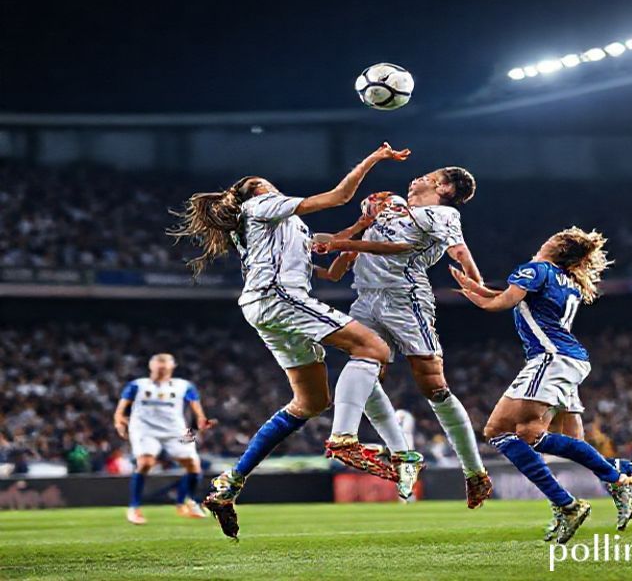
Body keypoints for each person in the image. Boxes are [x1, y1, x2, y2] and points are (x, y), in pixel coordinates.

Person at [168, 142, 411, 539]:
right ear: (255, 191)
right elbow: (338, 197)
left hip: (266, 304)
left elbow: (327, 264)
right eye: (265, 182)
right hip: (279, 298)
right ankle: (344, 438)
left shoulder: (284, 225)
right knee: (375, 348)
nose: (272, 185)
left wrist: (358, 230)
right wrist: (375, 158)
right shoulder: (261, 207)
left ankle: (229, 484)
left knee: (310, 402)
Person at [450, 226, 632, 540]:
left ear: (554, 245)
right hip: (570, 361)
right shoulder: (567, 280)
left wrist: (478, 295)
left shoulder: (535, 269)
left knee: (502, 433)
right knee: (575, 447)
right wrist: (478, 290)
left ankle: (579, 499)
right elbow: (506, 298)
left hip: (550, 358)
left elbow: (500, 303)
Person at [314, 176, 492, 508]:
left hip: (405, 301)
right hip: (366, 299)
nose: (418, 180)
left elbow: (456, 250)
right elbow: (335, 269)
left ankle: (475, 473)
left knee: (434, 388)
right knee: (363, 362)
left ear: (446, 190)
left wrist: (478, 284)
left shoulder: (441, 215)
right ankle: (353, 440)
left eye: (430, 178)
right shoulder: (390, 210)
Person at [113, 353, 215, 524]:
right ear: (151, 366)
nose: (161, 369)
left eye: (165, 366)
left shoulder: (184, 386)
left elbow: (196, 407)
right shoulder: (137, 385)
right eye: (159, 366)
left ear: (172, 367)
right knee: (145, 463)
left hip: (178, 429)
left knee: (194, 465)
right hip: (144, 428)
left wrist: (201, 420)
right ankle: (134, 508)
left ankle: (186, 502)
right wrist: (118, 420)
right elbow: (121, 408)